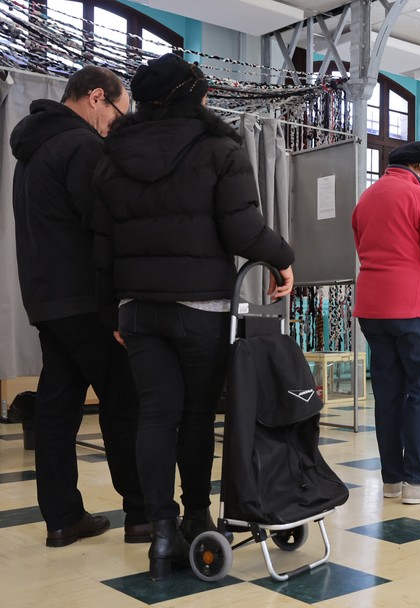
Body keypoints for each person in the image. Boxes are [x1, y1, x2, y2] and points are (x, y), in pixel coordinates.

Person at [91, 53, 295, 580]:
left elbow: (101, 243)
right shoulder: (219, 147)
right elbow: (244, 232)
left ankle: (162, 531)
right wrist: (284, 257)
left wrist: (115, 304)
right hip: (200, 306)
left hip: (136, 309)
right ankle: (199, 516)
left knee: (155, 414)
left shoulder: (111, 154)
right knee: (199, 415)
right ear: (192, 96)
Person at [9, 65, 148, 548]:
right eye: (116, 113)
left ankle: (64, 517)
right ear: (95, 97)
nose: (115, 125)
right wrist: (116, 304)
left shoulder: (30, 153)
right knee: (123, 399)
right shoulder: (82, 147)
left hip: (46, 299)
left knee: (57, 408)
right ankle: (142, 514)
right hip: (86, 300)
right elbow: (101, 230)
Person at [352, 140, 420, 505]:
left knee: (389, 394)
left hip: (372, 308)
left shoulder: (367, 198)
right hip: (414, 307)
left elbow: (363, 246)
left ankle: (393, 481)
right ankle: (418, 482)